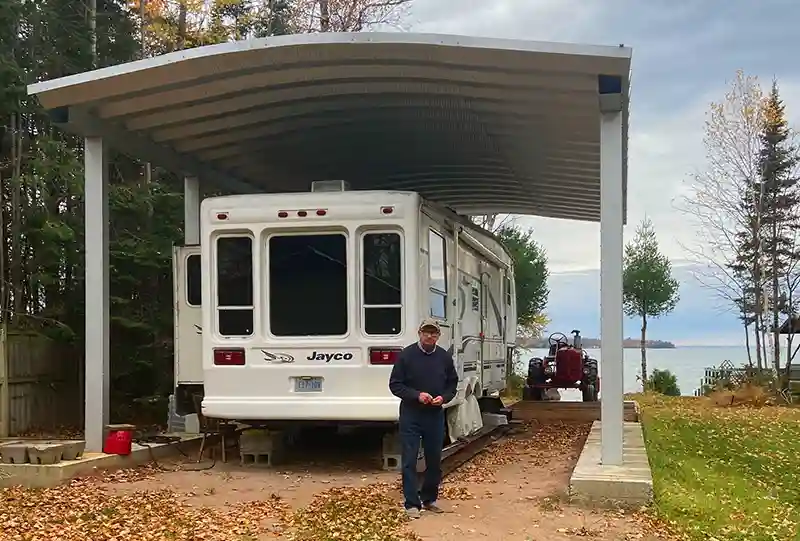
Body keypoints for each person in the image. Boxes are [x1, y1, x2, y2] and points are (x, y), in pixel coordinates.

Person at [388, 318, 459, 519]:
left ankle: (429, 499)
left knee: (434, 460)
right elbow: (395, 385)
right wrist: (416, 395)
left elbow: (452, 385)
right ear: (419, 333)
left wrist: (443, 398)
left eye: (434, 333)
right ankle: (411, 503)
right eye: (426, 332)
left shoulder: (444, 357)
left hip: (434, 415)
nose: (430, 336)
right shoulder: (407, 355)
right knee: (410, 459)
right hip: (411, 415)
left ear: (438, 335)